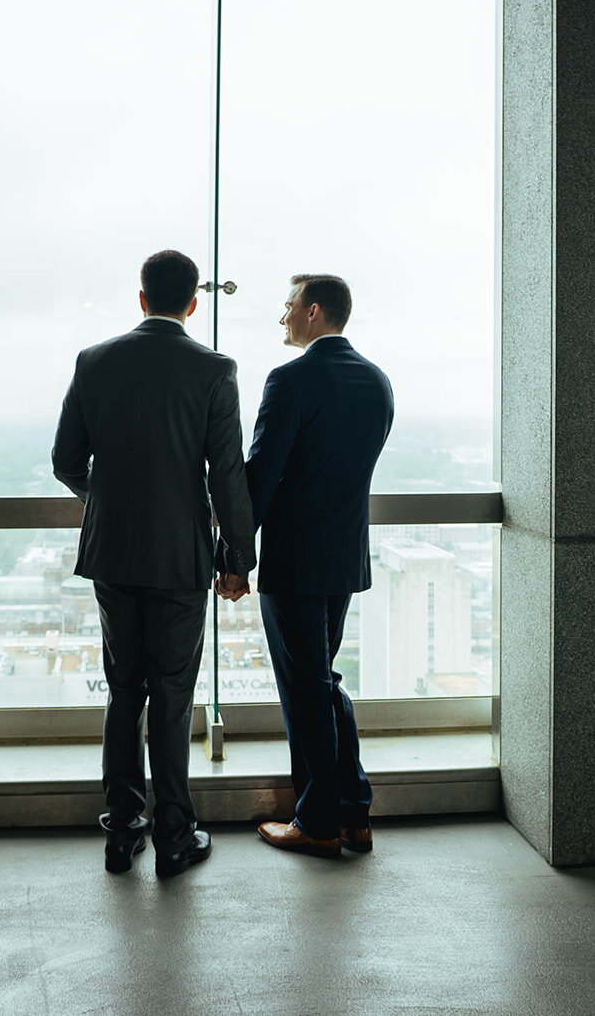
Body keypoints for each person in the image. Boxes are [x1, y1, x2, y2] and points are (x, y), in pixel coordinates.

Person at [51, 249, 257, 878]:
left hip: (113, 551)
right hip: (181, 555)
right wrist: (238, 559)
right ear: (193, 302)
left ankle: (121, 834)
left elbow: (65, 461)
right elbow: (226, 476)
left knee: (124, 690)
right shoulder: (215, 370)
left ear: (141, 298)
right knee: (172, 693)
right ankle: (174, 836)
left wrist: (109, 501)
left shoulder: (94, 361)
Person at [245, 273, 393, 858]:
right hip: (343, 557)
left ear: (311, 312)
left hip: (296, 560)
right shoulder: (377, 381)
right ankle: (353, 812)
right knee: (323, 681)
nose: (281, 318)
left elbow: (260, 476)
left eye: (286, 306)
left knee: (305, 689)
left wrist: (233, 554)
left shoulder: (291, 379)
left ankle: (317, 822)